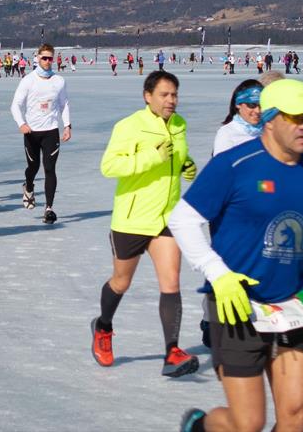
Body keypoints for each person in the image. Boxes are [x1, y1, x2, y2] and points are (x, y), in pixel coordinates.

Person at [173, 79, 303, 432]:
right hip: (237, 305)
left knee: (294, 420)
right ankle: (200, 425)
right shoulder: (234, 165)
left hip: (293, 305)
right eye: (295, 117)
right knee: (248, 424)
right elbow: (182, 220)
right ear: (270, 119)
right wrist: (219, 274)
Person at [94, 70, 199, 378]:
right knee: (121, 282)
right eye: (164, 95)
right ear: (148, 96)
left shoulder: (179, 125)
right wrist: (151, 158)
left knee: (171, 283)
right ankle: (103, 327)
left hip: (167, 218)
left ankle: (172, 352)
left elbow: (176, 157)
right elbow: (109, 166)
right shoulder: (129, 126)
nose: (171, 101)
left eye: (174, 95)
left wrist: (185, 164)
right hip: (131, 219)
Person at [10, 43, 71, 222]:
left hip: (51, 131)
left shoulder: (59, 81)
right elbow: (15, 105)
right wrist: (21, 123)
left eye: (50, 58)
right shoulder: (28, 80)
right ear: (37, 58)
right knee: (33, 167)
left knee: (50, 168)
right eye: (43, 58)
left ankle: (49, 208)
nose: (46, 61)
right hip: (31, 132)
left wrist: (67, 125)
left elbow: (64, 104)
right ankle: (28, 186)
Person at [211, 80, 263, 157]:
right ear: (238, 104)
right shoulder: (227, 133)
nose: (258, 111)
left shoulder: (270, 130)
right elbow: (220, 167)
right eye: (252, 105)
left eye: (262, 105)